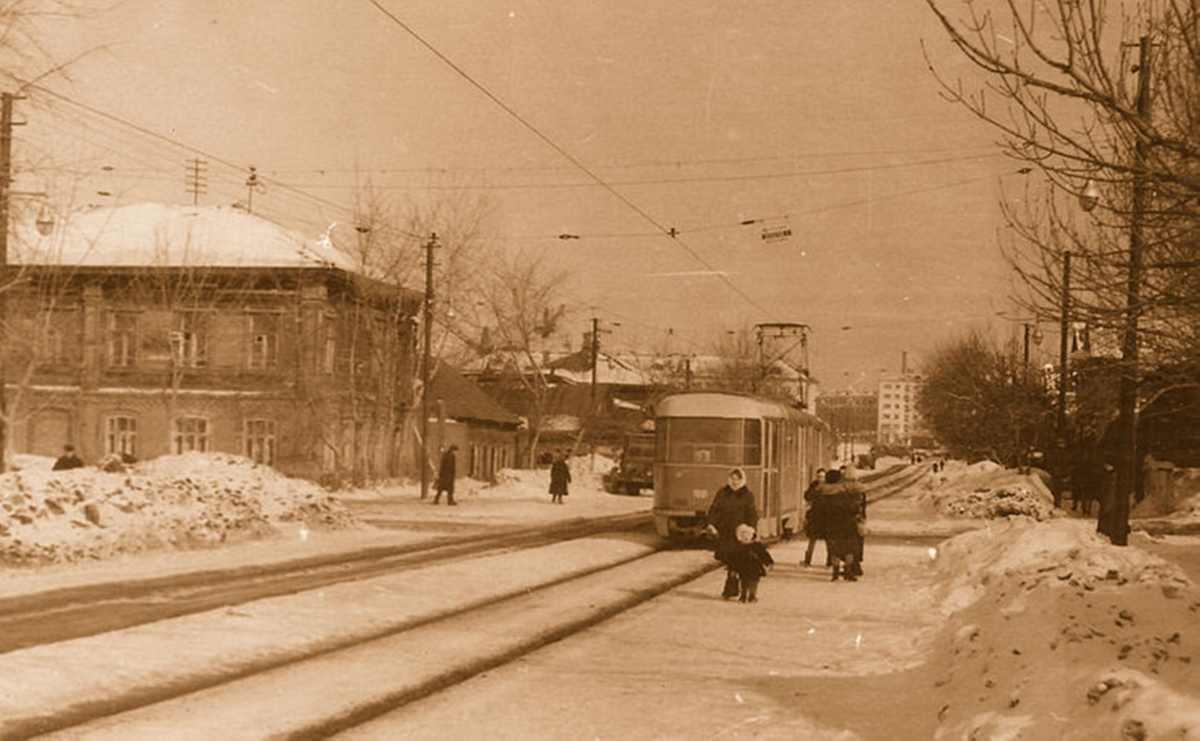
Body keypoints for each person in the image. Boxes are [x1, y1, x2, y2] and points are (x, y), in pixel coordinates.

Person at [705, 467, 759, 599]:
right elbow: (714, 509)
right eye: (732, 479)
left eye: (738, 479)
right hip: (725, 532)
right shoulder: (722, 493)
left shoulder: (748, 495)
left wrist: (750, 528)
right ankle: (732, 587)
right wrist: (711, 524)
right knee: (730, 560)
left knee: (738, 561)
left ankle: (735, 588)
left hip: (740, 534)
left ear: (742, 480)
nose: (734, 482)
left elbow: (752, 514)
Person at [821, 468, 863, 582]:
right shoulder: (844, 493)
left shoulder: (823, 493)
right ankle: (848, 572)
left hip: (831, 525)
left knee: (835, 549)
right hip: (846, 524)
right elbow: (853, 509)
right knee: (849, 549)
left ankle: (835, 571)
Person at [723, 523, 774, 603]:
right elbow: (764, 555)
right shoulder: (757, 546)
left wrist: (732, 569)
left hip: (744, 569)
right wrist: (769, 562)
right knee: (753, 582)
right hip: (755, 568)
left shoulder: (738, 548)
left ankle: (744, 596)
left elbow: (733, 560)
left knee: (744, 582)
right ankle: (751, 596)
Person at [801, 468, 829, 568]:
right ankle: (807, 560)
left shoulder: (829, 487)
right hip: (815, 517)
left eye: (822, 477)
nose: (820, 479)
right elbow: (807, 496)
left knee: (828, 541)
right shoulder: (814, 486)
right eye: (818, 477)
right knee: (812, 540)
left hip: (825, 517)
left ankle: (829, 561)